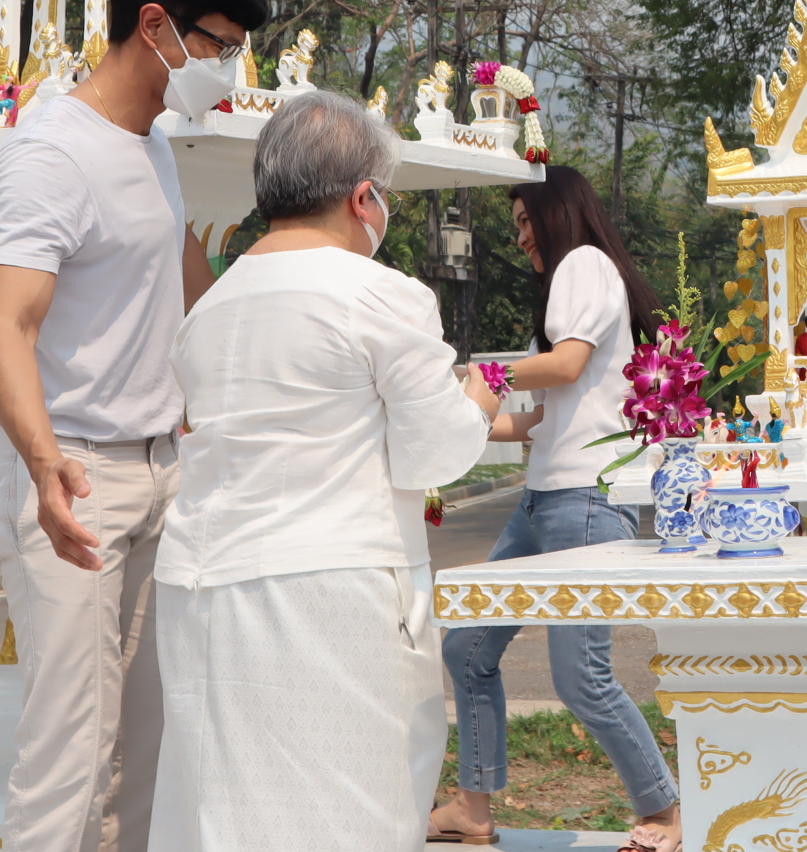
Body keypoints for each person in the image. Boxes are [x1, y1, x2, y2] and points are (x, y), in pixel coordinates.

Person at [0, 0, 269, 852]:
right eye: (220, 45)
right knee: (69, 750)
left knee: (147, 749)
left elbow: (190, 291)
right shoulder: (49, 156)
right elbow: (3, 326)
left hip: (157, 467)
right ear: (156, 28)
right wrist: (44, 463)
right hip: (77, 474)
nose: (227, 70)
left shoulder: (153, 149)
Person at [150, 92, 500, 852]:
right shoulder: (378, 294)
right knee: (348, 812)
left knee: (224, 810)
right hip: (327, 587)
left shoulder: (209, 307)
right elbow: (436, 452)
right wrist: (474, 400)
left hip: (201, 584)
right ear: (363, 197)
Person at [432, 165, 683, 852]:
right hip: (546, 498)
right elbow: (544, 419)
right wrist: (453, 421)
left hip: (584, 498)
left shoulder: (583, 264)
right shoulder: (582, 281)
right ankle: (474, 808)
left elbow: (566, 365)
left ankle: (666, 812)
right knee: (468, 648)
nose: (519, 239)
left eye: (523, 221)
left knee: (581, 676)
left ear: (557, 213)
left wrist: (474, 375)